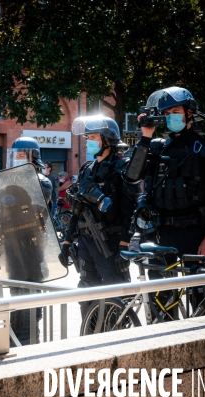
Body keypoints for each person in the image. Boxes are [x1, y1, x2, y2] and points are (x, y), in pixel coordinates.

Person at [125, 86, 205, 315]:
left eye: (175, 111)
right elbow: (132, 176)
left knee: (203, 305)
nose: (170, 117)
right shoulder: (156, 148)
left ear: (189, 112)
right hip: (161, 234)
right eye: (166, 114)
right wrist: (145, 136)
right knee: (161, 304)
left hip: (195, 234)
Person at [58, 115, 141, 319]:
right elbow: (77, 207)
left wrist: (124, 243)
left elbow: (130, 209)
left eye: (93, 137)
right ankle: (89, 333)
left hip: (109, 241)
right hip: (86, 240)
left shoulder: (122, 167)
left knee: (115, 293)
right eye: (87, 138)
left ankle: (116, 338)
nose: (88, 142)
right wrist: (67, 241)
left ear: (107, 140)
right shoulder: (88, 168)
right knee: (86, 291)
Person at [5, 136, 53, 344]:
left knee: (31, 283)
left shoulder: (41, 181)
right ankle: (15, 327)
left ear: (33, 156)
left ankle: (30, 329)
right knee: (16, 283)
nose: (18, 159)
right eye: (16, 155)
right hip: (12, 240)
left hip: (32, 241)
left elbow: (33, 211)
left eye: (22, 155)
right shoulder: (11, 180)